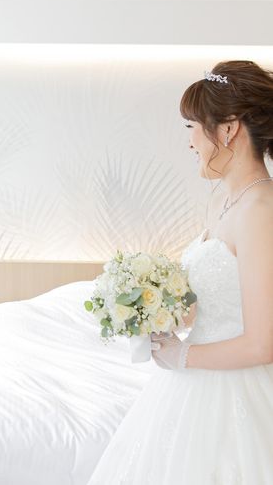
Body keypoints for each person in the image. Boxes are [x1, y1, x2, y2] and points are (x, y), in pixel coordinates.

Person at [87, 61, 273, 484]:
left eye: (192, 127)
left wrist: (184, 355)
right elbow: (221, 301)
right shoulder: (222, 200)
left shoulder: (261, 210)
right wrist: (158, 312)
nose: (189, 141)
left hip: (237, 389)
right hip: (194, 382)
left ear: (228, 129)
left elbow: (264, 343)